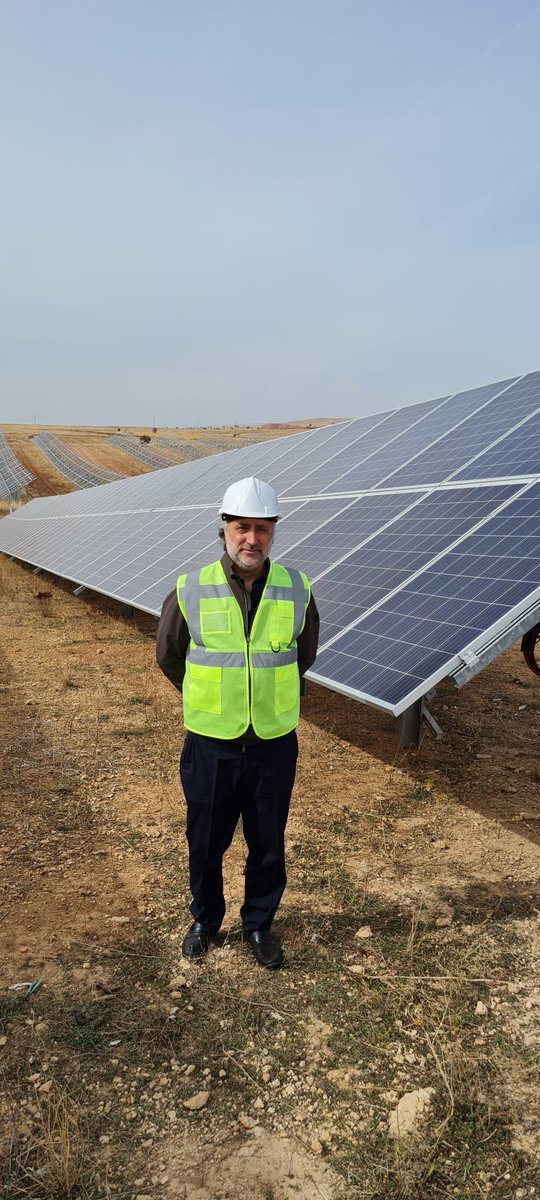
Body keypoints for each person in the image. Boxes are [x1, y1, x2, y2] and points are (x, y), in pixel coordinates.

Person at [156, 476, 319, 968]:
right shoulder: (190, 588)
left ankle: (258, 925)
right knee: (205, 841)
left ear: (274, 533)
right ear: (224, 528)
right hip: (211, 744)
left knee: (268, 842)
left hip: (272, 742)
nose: (252, 539)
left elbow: (301, 656)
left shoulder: (296, 588)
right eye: (242, 527)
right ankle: (205, 919)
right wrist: (211, 699)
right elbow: (169, 656)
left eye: (263, 529)